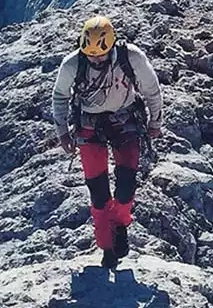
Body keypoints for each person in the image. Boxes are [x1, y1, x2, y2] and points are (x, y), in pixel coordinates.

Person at [52, 15, 164, 268]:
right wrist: (62, 132)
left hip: (124, 120)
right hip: (89, 125)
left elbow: (151, 89)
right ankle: (107, 247)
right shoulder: (72, 64)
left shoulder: (131, 57)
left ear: (112, 46)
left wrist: (155, 121)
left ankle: (120, 225)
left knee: (126, 185)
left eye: (101, 56)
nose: (96, 59)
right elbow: (59, 96)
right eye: (91, 56)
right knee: (98, 191)